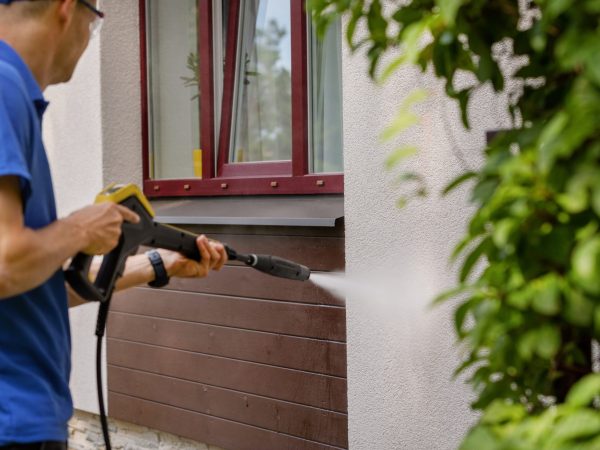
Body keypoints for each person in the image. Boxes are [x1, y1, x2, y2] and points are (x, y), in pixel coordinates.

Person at [0, 1, 228, 448]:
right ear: (68, 10)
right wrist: (81, 229)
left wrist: (157, 264)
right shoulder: (3, 88)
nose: (89, 39)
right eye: (95, 22)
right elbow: (5, 266)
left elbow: (28, 284)